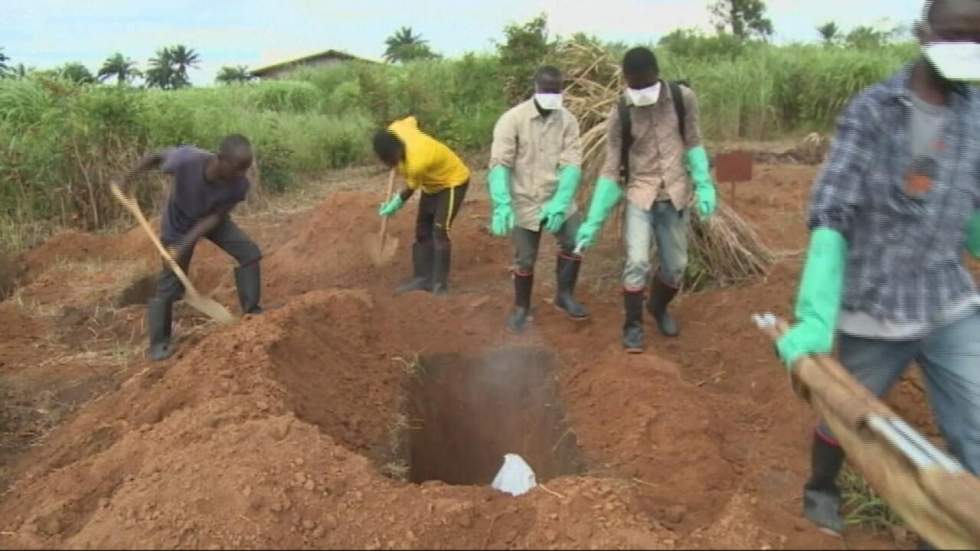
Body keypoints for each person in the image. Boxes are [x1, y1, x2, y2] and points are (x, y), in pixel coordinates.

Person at [775, 0, 980, 540]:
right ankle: (821, 487)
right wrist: (815, 314)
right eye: (957, 34)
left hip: (946, 299)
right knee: (845, 413)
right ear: (924, 33)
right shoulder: (872, 111)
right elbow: (833, 208)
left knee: (976, 424)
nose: (968, 48)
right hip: (875, 302)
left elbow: (975, 207)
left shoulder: (977, 114)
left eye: (977, 38)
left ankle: (954, 528)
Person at [575, 46, 717, 353]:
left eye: (646, 83)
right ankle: (633, 327)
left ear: (657, 75)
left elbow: (693, 141)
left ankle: (658, 307)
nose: (640, 90)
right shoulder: (620, 113)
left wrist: (704, 184)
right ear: (625, 80)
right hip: (640, 193)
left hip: (675, 194)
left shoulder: (682, 99)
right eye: (634, 85)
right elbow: (612, 170)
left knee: (676, 266)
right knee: (637, 262)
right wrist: (592, 222)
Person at [116, 134, 262, 362]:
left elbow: (213, 219)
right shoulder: (187, 160)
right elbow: (156, 157)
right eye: (237, 168)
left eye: (245, 169)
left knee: (249, 253)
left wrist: (184, 245)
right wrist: (128, 180)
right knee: (170, 283)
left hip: (212, 221)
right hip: (178, 225)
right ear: (220, 158)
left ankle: (252, 311)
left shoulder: (239, 185)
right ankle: (159, 344)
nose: (241, 175)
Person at [487, 65, 588, 333]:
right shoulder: (512, 119)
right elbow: (500, 163)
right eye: (547, 90)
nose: (551, 96)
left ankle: (564, 295)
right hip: (524, 199)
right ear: (536, 88)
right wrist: (501, 202)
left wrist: (560, 202)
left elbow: (572, 164)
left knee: (573, 242)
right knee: (525, 257)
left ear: (562, 90)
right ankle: (522, 306)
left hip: (558, 197)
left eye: (556, 91)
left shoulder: (568, 121)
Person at [373, 117, 471, 296]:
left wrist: (396, 203)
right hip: (431, 184)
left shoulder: (417, 162)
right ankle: (422, 278)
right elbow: (413, 119)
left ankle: (440, 286)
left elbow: (410, 188)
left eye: (396, 159)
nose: (395, 164)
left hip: (452, 182)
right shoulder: (397, 128)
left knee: (440, 231)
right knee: (422, 230)